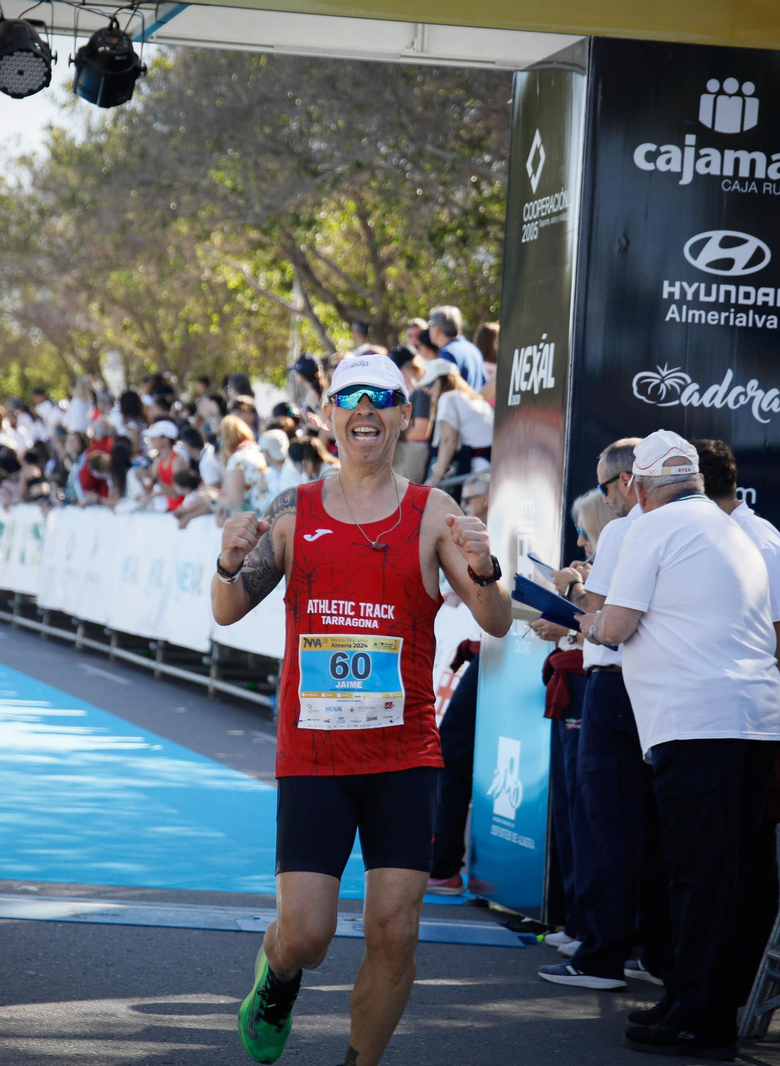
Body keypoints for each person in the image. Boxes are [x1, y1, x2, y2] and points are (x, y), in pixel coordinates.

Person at [213, 353, 512, 1066]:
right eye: (350, 397)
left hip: (404, 754)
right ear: (327, 417)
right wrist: (228, 561)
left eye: (384, 397)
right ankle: (277, 978)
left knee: (395, 932)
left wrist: (488, 568)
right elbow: (226, 610)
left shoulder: (435, 512)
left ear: (404, 415)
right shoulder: (294, 510)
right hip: (314, 753)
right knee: (307, 935)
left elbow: (495, 621)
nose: (366, 409)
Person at [588, 430, 780, 1060]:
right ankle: (697, 1004)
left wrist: (581, 615)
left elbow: (615, 626)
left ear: (640, 488)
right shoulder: (734, 528)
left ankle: (700, 1015)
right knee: (724, 875)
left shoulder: (652, 527)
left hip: (697, 723)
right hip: (750, 721)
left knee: (697, 875)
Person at [692, 437, 780, 1016]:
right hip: (724, 726)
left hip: (744, 729)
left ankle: (734, 988)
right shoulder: (721, 535)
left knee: (741, 862)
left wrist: (762, 714)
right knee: (721, 860)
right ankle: (711, 988)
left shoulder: (761, 543)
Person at [535, 439, 651, 991]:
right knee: (618, 824)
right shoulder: (666, 530)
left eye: (607, 488)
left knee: (605, 821)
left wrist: (573, 589)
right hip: (641, 691)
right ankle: (617, 945)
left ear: (627, 483)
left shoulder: (635, 529)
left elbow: (598, 618)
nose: (609, 498)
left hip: (615, 685)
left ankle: (602, 949)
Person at [426, 470, 492, 896]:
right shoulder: (466, 535)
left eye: (473, 496)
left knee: (453, 753)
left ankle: (446, 863)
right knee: (451, 752)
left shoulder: (496, 532)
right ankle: (445, 862)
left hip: (502, 655)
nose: (466, 504)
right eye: (463, 496)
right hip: (489, 655)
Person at [418, 359, 493, 490]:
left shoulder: (448, 397)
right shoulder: (471, 398)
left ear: (444, 381)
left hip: (478, 467)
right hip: (489, 464)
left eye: (431, 384)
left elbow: (448, 440)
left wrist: (436, 476)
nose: (429, 391)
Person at [426, 306, 486, 393]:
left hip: (458, 406)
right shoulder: (473, 349)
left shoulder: (447, 353)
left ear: (436, 330)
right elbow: (485, 384)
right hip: (475, 405)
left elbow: (444, 390)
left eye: (430, 325)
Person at [139, 420, 188, 512]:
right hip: (171, 509)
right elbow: (151, 488)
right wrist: (141, 479)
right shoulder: (158, 461)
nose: (150, 440)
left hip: (182, 510)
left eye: (154, 437)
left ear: (165, 439)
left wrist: (155, 481)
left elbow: (176, 493)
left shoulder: (177, 460)